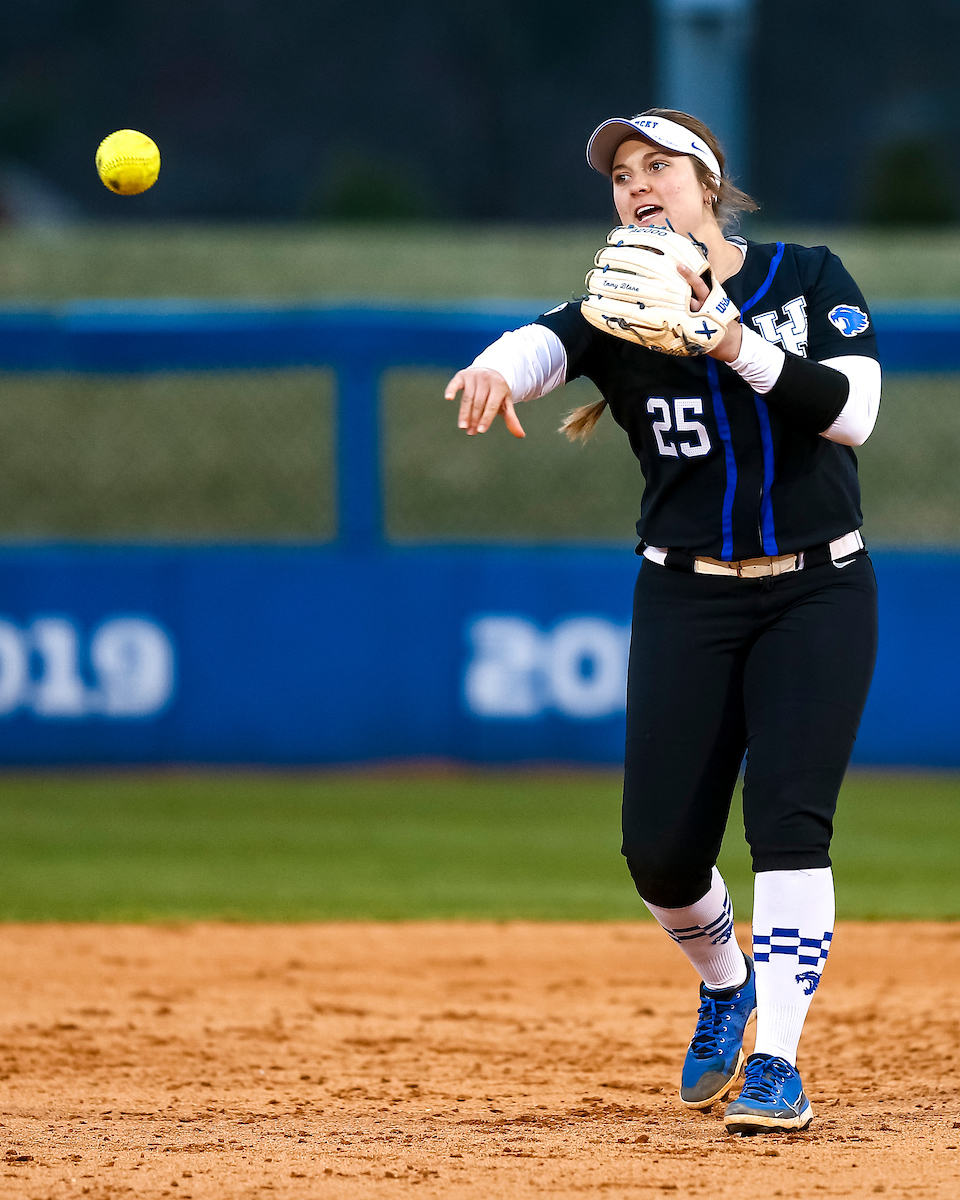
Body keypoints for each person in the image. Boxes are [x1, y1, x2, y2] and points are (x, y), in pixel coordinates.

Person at [444, 109, 880, 1136]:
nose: (637, 185)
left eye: (658, 167)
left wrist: (730, 342)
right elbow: (543, 341)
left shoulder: (809, 278)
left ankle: (777, 1058)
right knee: (661, 855)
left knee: (787, 826)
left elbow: (852, 414)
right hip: (686, 592)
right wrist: (500, 369)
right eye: (620, 175)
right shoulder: (615, 308)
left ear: (709, 182)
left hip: (818, 587)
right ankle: (725, 986)